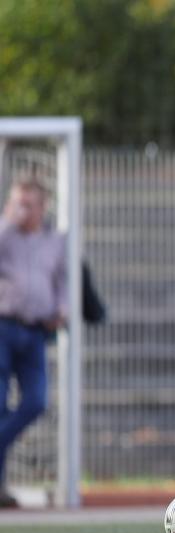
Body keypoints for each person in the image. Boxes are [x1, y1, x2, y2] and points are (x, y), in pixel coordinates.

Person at [0, 178, 67, 508]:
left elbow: (64, 280)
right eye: (17, 203)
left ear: (42, 208)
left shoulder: (55, 241)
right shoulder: (5, 235)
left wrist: (63, 308)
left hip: (35, 332)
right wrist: (7, 221)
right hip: (2, 327)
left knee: (36, 400)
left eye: (28, 204)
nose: (23, 210)